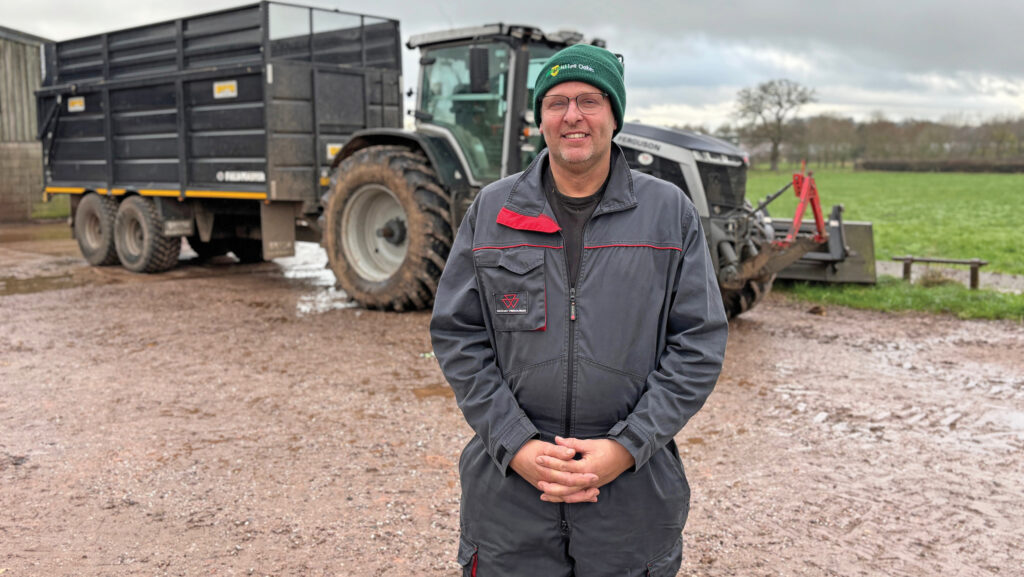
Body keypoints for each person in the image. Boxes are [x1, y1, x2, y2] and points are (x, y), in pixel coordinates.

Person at [429, 43, 728, 577]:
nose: (572, 116)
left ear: (614, 116)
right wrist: (516, 443)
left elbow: (698, 343)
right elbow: (458, 335)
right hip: (510, 491)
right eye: (556, 102)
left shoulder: (668, 214)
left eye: (590, 101)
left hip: (633, 492)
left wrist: (626, 447)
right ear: (539, 117)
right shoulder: (493, 212)